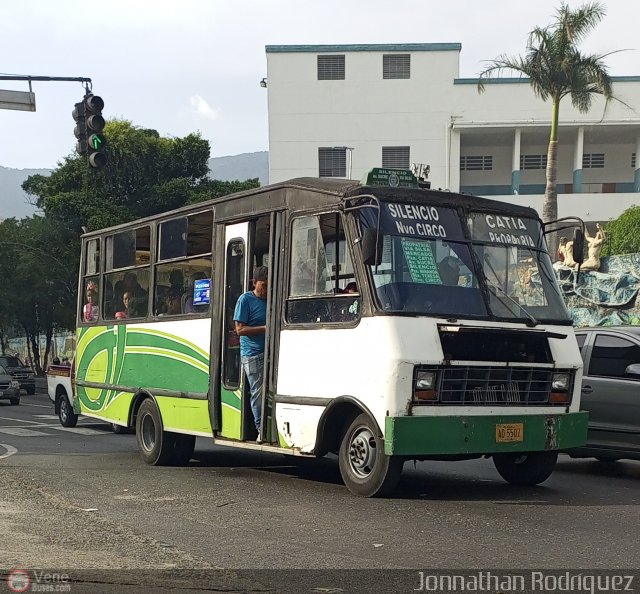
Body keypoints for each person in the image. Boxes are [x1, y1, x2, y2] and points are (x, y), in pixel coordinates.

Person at [233, 266, 268, 442]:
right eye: (263, 285)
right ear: (254, 283)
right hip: (252, 355)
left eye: (269, 285)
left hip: (270, 352)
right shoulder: (245, 300)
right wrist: (265, 329)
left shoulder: (271, 299)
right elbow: (239, 329)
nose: (266, 289)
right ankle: (260, 428)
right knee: (258, 392)